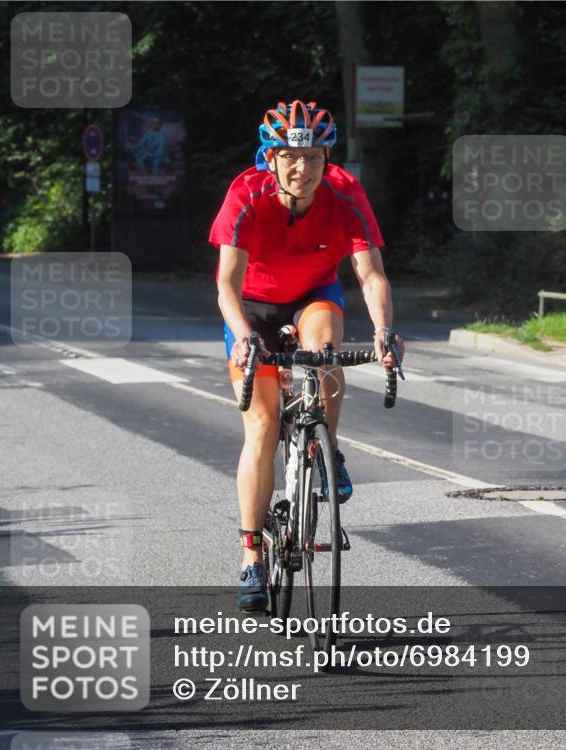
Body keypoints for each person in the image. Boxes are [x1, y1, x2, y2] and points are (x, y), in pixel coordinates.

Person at [209, 99, 403, 611]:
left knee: (325, 352)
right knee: (264, 424)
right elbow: (226, 284)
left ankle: (328, 448)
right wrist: (245, 335)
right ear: (269, 158)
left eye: (314, 157)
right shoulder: (246, 195)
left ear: (326, 159)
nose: (303, 169)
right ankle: (252, 557)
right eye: (291, 158)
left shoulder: (345, 193)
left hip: (313, 295)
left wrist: (384, 329)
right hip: (251, 307)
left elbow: (370, 273)